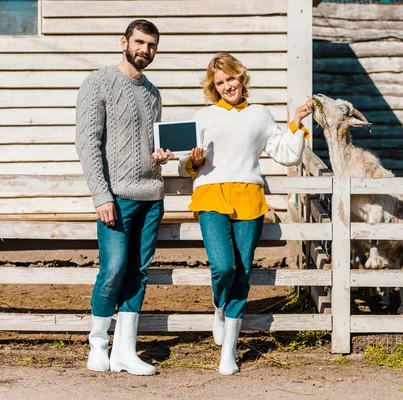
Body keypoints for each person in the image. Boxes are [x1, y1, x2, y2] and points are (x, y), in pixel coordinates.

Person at [179, 52, 314, 375]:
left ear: (242, 78)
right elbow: (183, 162)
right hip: (211, 194)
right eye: (220, 82)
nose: (228, 86)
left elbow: (286, 153)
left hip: (249, 197)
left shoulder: (259, 115)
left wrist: (296, 122)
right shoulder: (203, 116)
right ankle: (218, 307)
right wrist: (194, 161)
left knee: (243, 272)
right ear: (214, 87)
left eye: (231, 78)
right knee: (223, 266)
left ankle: (229, 352)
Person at [75, 19, 173, 376]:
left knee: (138, 272)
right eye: (140, 42)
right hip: (115, 198)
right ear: (124, 42)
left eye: (152, 45)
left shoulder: (153, 93)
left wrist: (160, 156)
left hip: (151, 196)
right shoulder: (98, 82)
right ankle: (98, 345)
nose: (145, 50)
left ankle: (125, 351)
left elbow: (147, 145)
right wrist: (102, 196)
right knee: (113, 270)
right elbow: (88, 144)